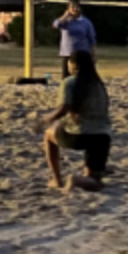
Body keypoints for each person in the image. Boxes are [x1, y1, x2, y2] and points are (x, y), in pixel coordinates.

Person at [42, 51, 112, 192]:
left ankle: (56, 179)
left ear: (73, 65)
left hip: (79, 135)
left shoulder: (70, 82)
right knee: (94, 182)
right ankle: (79, 179)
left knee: (49, 135)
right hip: (102, 136)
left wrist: (48, 118)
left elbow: (63, 108)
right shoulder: (98, 84)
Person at [52, 1, 97, 80]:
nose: (75, 9)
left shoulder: (86, 22)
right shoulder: (65, 21)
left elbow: (91, 39)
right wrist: (65, 16)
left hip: (82, 53)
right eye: (72, 7)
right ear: (68, 9)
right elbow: (56, 25)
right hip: (68, 53)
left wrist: (92, 55)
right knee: (66, 78)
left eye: (76, 7)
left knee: (82, 77)